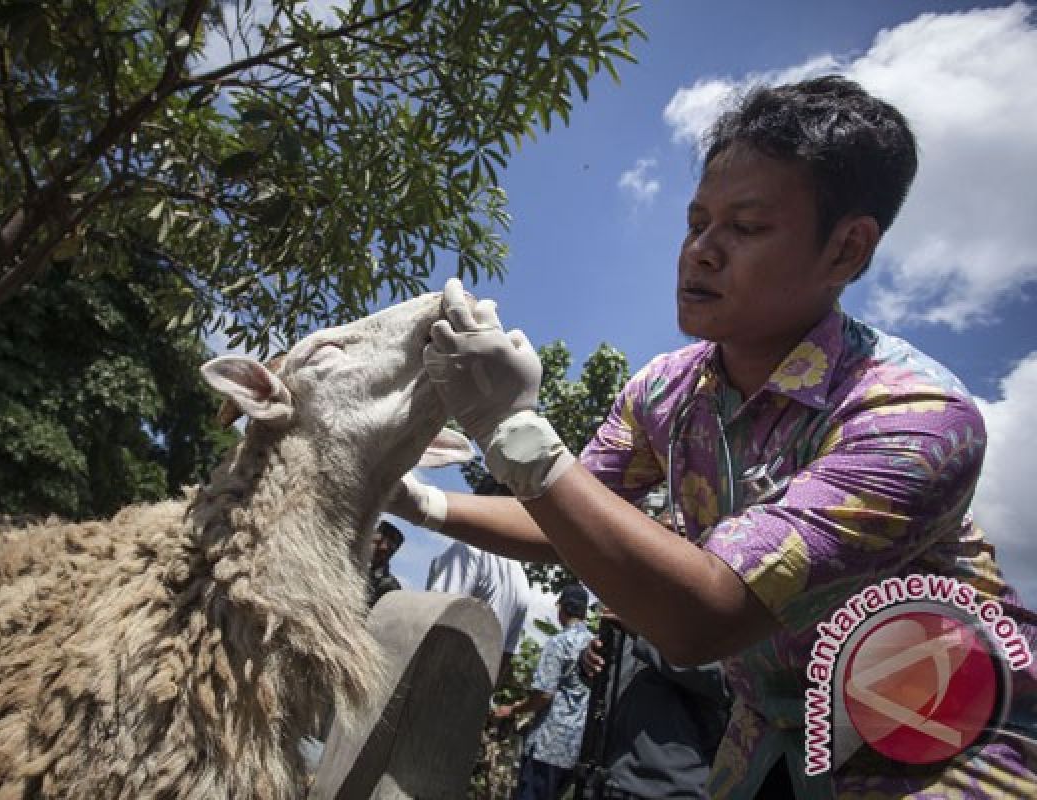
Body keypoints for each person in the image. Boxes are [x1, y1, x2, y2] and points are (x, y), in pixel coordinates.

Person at [390, 76, 1037, 797]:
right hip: (763, 743)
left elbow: (703, 618)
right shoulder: (667, 390)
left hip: (940, 744)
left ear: (847, 250)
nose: (700, 250)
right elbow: (575, 514)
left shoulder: (915, 417)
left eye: (746, 228)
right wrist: (417, 501)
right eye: (697, 221)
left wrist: (511, 426)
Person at [578, 610, 730, 799]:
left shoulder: (710, 615)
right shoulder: (634, 614)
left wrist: (645, 635)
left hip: (667, 789)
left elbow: (725, 681)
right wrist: (588, 660)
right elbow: (616, 681)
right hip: (606, 780)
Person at [427, 476, 531, 686]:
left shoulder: (468, 550)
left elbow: (435, 619)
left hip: (438, 683)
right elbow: (506, 656)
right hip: (473, 695)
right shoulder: (520, 576)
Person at [495, 584, 594, 800]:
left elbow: (543, 695)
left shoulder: (558, 643)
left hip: (547, 747)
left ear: (561, 609)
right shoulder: (594, 645)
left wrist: (512, 710)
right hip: (575, 749)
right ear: (585, 612)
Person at [367, 519, 403, 607]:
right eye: (377, 542)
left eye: (390, 549)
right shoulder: (345, 564)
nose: (382, 548)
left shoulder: (391, 586)